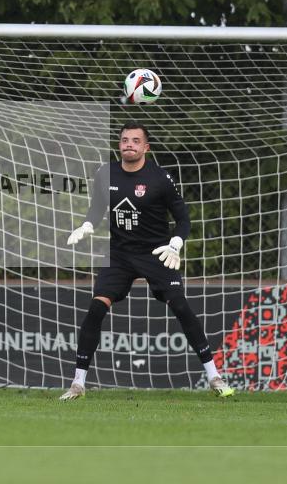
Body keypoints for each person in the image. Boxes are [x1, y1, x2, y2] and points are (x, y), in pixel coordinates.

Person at [62, 122, 234, 399]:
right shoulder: (105, 173)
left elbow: (183, 219)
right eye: (124, 140)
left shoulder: (160, 178)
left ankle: (214, 377)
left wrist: (175, 244)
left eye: (135, 141)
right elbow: (96, 209)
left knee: (180, 306)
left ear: (145, 147)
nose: (129, 144)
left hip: (156, 253)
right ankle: (77, 384)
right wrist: (86, 225)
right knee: (96, 308)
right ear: (119, 144)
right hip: (119, 254)